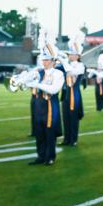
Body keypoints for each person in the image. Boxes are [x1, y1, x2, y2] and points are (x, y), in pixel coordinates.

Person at [27, 35, 64, 166]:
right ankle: (40, 156)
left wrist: (37, 85)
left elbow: (54, 90)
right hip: (38, 105)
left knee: (49, 132)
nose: (44, 62)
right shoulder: (39, 72)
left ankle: (50, 157)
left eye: (47, 59)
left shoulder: (58, 74)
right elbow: (27, 80)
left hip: (50, 106)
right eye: (43, 59)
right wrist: (23, 80)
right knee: (39, 132)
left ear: (53, 60)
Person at [59, 32, 85, 146]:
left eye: (72, 54)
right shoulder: (66, 64)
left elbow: (73, 72)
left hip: (74, 94)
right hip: (66, 93)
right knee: (65, 116)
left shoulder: (80, 65)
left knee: (73, 117)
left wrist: (64, 62)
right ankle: (66, 138)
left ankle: (73, 139)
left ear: (77, 56)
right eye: (69, 54)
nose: (69, 55)